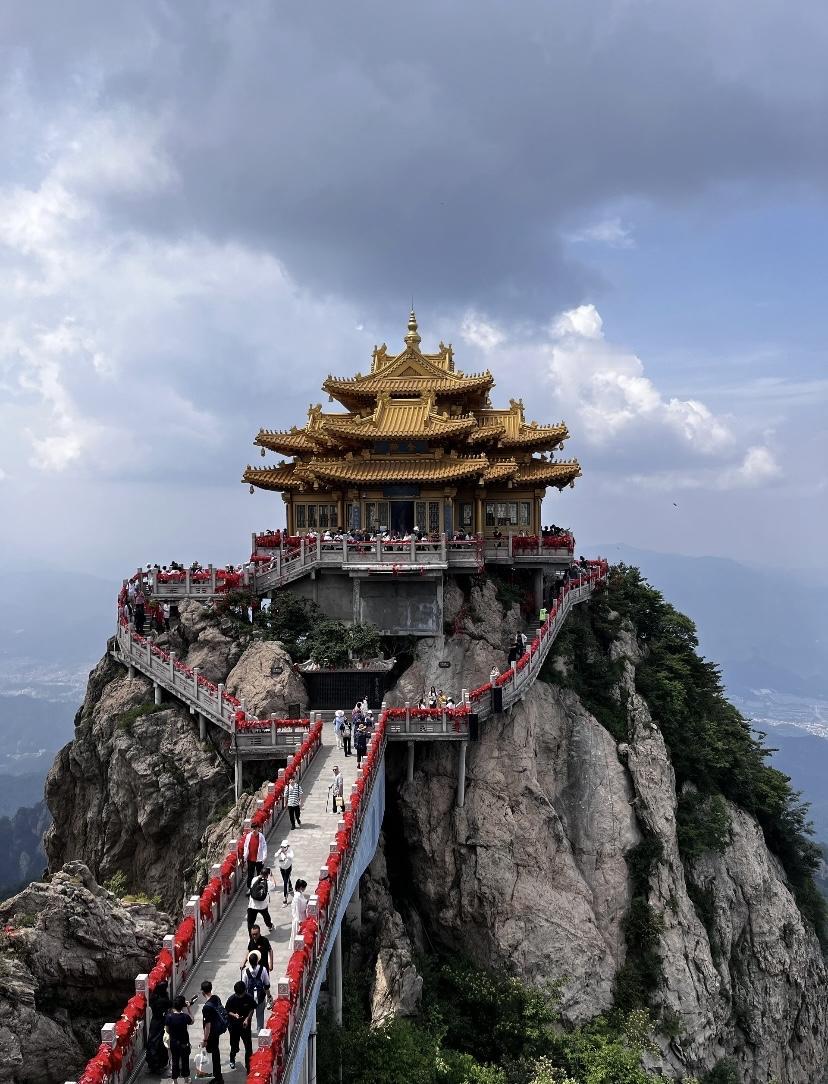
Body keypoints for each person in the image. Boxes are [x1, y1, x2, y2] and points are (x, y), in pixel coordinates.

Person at [226, 980, 255, 1072]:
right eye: (237, 994)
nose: (239, 996)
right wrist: (234, 1015)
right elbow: (227, 1011)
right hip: (234, 1026)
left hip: (245, 1026)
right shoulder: (231, 999)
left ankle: (248, 1066)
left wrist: (247, 1019)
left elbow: (252, 1008)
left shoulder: (249, 998)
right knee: (234, 1046)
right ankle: (232, 1058)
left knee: (248, 1047)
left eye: (241, 994)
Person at [200, 980, 226, 1084]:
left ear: (202, 992)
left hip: (212, 1034)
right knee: (215, 1053)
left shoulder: (206, 1007)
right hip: (218, 1030)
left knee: (214, 1055)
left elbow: (207, 1026)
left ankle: (218, 1079)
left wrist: (205, 1039)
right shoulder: (216, 998)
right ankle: (217, 1076)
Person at [164, 994, 193, 1084]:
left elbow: (167, 1030)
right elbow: (192, 1021)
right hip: (184, 1042)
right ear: (182, 1006)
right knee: (185, 1061)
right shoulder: (185, 1017)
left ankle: (175, 1081)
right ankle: (186, 1080)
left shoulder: (169, 1017)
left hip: (174, 1043)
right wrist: (189, 1009)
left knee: (175, 1061)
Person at [146, 979, 171, 1073]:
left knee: (152, 1042)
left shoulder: (153, 997)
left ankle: (153, 1064)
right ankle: (158, 1064)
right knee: (160, 1043)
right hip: (161, 1022)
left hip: (154, 1022)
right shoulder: (163, 999)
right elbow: (171, 1004)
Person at [243, 950, 271, 1031]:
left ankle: (247, 1031)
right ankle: (260, 1032)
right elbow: (266, 985)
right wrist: (269, 996)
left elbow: (244, 986)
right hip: (260, 997)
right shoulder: (263, 969)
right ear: (258, 960)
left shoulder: (246, 972)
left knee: (248, 1015)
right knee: (260, 1016)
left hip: (250, 997)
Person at [247, 867, 276, 933]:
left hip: (252, 905)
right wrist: (272, 876)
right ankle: (270, 926)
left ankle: (251, 937)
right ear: (267, 875)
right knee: (266, 918)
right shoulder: (268, 883)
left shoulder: (254, 879)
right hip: (262, 906)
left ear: (260, 873)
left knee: (250, 922)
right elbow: (274, 884)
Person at [244, 828, 268, 892]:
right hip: (250, 859)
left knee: (259, 874)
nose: (254, 830)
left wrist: (264, 856)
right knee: (250, 874)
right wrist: (245, 855)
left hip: (259, 859)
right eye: (253, 829)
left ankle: (258, 887)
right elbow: (246, 846)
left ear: (258, 829)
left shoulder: (261, 836)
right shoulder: (248, 836)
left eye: (255, 829)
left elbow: (264, 846)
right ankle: (250, 888)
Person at [275, 839, 294, 904]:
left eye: (284, 847)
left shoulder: (290, 851)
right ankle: (290, 887)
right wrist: (279, 852)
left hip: (288, 868)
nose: (283, 848)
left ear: (287, 846)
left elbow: (291, 857)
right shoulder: (280, 850)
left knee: (285, 883)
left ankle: (285, 899)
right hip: (282, 868)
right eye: (282, 847)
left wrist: (285, 854)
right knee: (285, 880)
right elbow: (275, 855)